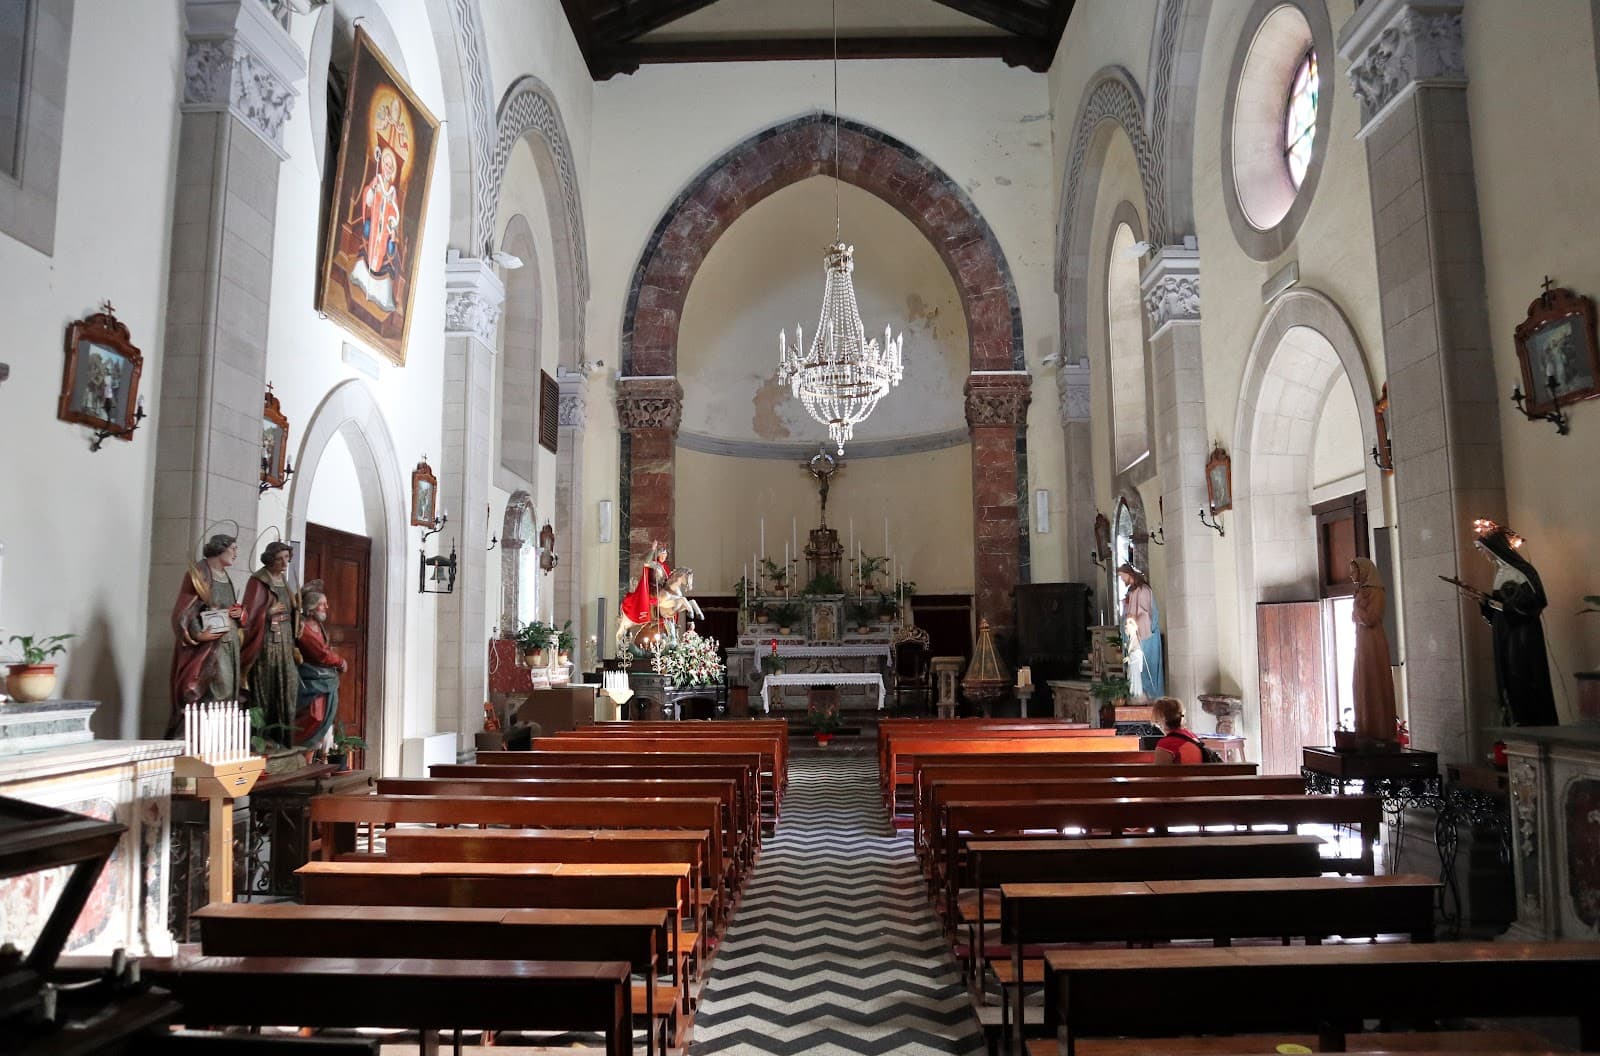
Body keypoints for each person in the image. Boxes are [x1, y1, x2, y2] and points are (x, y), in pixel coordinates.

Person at [1474, 522, 1559, 727]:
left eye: (1485, 550)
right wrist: (1484, 602)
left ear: (1496, 548)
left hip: (1523, 635)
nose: (1485, 555)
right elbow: (1499, 609)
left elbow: (1536, 602)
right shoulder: (1500, 574)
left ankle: (1531, 720)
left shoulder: (1523, 571)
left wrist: (1502, 606)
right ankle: (1516, 719)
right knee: (1509, 677)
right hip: (1505, 633)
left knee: (1523, 675)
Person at [167, 534, 246, 735]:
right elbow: (184, 610)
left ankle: (220, 740)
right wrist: (198, 634)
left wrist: (239, 612)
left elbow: (229, 608)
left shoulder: (225, 576)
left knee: (229, 694)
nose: (236, 553)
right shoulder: (199, 574)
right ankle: (199, 740)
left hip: (229, 643)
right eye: (233, 548)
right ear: (220, 548)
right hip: (211, 645)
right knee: (218, 690)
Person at [241, 541, 300, 743]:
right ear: (270, 560)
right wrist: (268, 613)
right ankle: (262, 739)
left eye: (287, 557)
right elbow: (247, 615)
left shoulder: (283, 580)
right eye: (280, 558)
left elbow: (291, 609)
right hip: (266, 642)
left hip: (284, 640)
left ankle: (284, 739)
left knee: (288, 686)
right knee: (266, 688)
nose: (285, 563)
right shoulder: (258, 581)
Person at [1349, 557, 1397, 743]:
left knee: (1374, 681)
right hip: (1362, 641)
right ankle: (1365, 726)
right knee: (1362, 682)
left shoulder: (1376, 592)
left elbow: (1371, 618)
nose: (1352, 575)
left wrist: (1356, 610)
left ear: (1364, 571)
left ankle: (1379, 728)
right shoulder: (1361, 592)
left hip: (1373, 642)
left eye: (1355, 571)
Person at [295, 580, 347, 748]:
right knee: (315, 718)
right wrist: (340, 661)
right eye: (322, 604)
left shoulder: (317, 625)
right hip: (312, 679)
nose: (326, 607)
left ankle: (313, 758)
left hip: (323, 678)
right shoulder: (304, 629)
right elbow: (321, 654)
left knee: (323, 719)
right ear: (311, 607)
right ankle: (304, 754)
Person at [350, 143, 402, 311]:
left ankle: (378, 292)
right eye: (386, 164)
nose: (387, 168)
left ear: (393, 170)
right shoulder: (377, 180)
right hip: (374, 226)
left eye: (390, 166)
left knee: (384, 251)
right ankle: (363, 279)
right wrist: (373, 190)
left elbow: (395, 213)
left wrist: (392, 225)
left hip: (384, 229)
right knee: (369, 240)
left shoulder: (393, 191)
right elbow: (368, 199)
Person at [1118, 563, 1165, 697]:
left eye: (1122, 576)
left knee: (1144, 668)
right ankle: (1137, 696)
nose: (1122, 580)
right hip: (1133, 636)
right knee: (1134, 671)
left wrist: (1132, 623)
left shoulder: (1143, 590)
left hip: (1143, 637)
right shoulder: (1131, 591)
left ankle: (1148, 696)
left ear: (1129, 574)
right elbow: (1128, 613)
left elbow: (1145, 615)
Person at [1152, 697, 1207, 764]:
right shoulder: (1192, 736)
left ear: (1161, 719)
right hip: (1199, 773)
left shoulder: (1167, 743)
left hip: (1184, 774)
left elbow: (1158, 772)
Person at [1123, 616, 1146, 699]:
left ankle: (1136, 695)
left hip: (1135, 665)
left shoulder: (1136, 639)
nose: (1126, 629)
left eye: (1127, 627)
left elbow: (1138, 652)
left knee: (1135, 681)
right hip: (1131, 665)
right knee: (1131, 680)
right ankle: (1132, 695)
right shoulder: (1130, 640)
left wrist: (1130, 658)